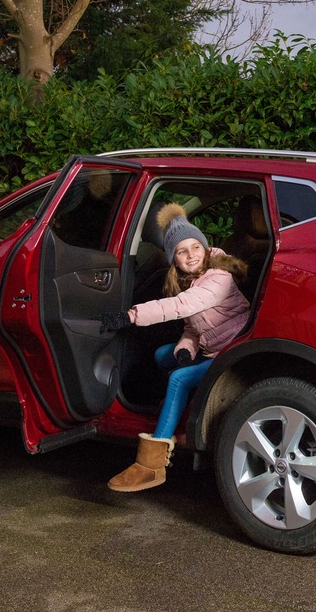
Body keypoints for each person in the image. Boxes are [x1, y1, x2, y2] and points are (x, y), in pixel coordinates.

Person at [99, 203, 250, 492]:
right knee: (162, 355)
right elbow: (193, 327)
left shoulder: (220, 276)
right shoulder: (189, 281)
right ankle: (175, 406)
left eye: (195, 247)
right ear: (174, 259)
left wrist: (129, 316)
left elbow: (182, 307)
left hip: (231, 351)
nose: (191, 255)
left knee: (178, 378)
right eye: (182, 251)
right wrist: (186, 349)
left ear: (206, 249)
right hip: (209, 347)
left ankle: (151, 465)